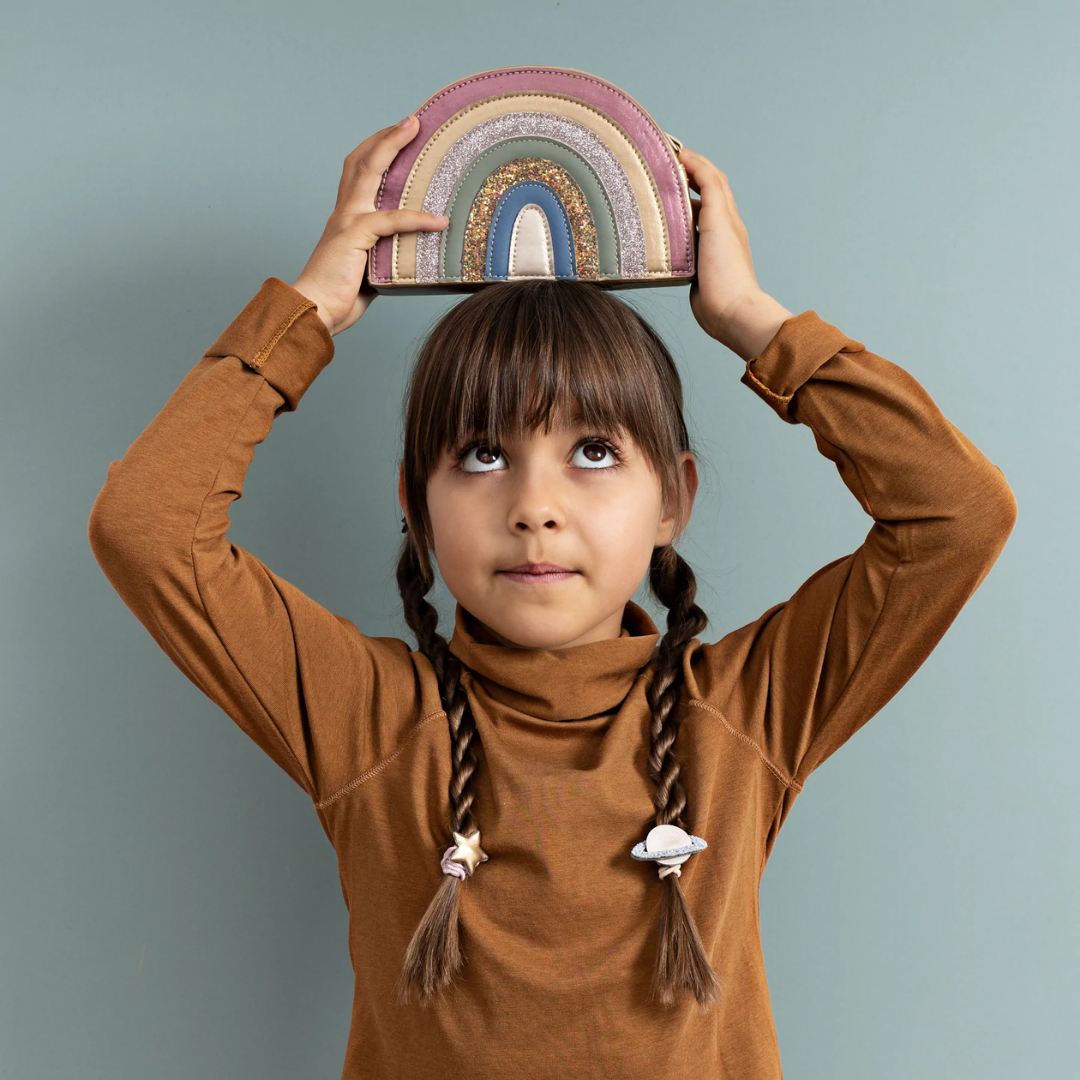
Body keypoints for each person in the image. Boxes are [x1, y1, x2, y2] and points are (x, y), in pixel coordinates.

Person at [87, 114, 1017, 1078]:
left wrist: (753, 319)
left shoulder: (744, 713)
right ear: (415, 503)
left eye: (595, 452)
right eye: (483, 455)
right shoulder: (367, 719)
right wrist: (304, 317)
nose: (535, 508)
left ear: (673, 500)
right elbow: (147, 529)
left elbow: (956, 515)